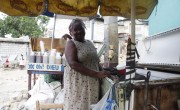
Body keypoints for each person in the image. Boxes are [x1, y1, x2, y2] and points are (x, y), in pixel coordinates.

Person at [64, 18, 111, 110]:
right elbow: (73, 64)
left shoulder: (89, 43)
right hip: (78, 86)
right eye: (75, 30)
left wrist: (103, 71)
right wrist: (97, 74)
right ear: (71, 32)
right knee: (78, 106)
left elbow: (95, 62)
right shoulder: (71, 43)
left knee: (91, 106)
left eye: (80, 28)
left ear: (84, 29)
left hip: (92, 85)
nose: (78, 31)